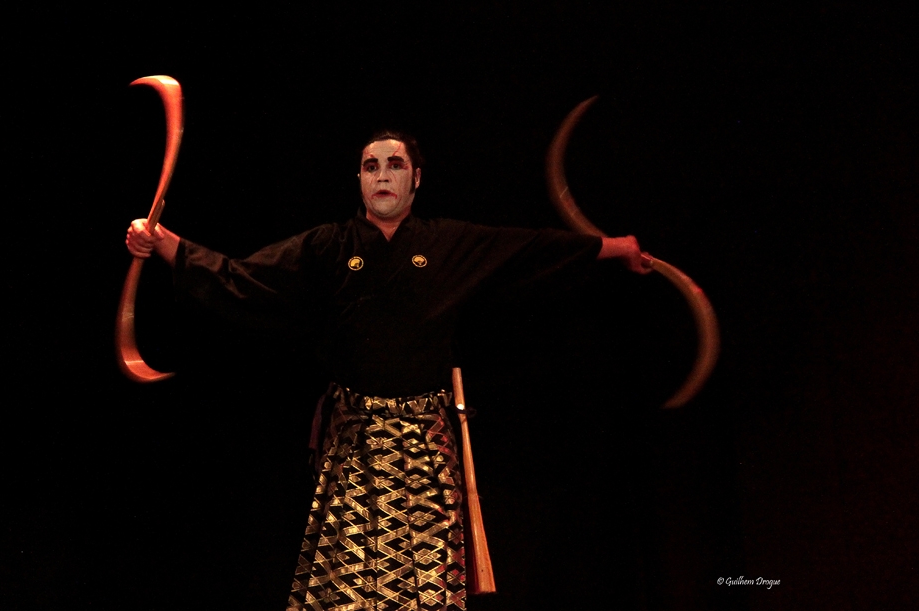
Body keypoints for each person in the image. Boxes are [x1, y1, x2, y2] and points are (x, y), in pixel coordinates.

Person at [125, 133, 650, 610]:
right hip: (353, 440)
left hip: (426, 442)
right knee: (346, 588)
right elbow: (244, 278)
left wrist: (617, 248)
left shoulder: (448, 243)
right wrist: (168, 245)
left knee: (428, 588)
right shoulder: (328, 246)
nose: (381, 174)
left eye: (394, 165)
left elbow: (532, 252)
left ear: (415, 178)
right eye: (370, 165)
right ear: (358, 179)